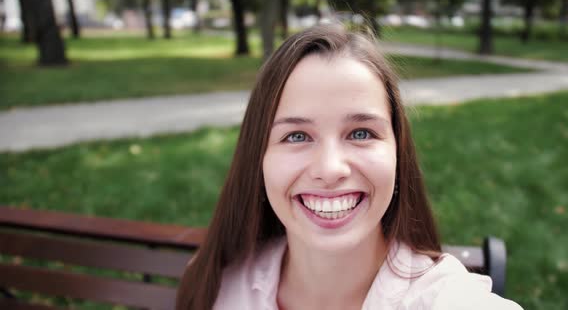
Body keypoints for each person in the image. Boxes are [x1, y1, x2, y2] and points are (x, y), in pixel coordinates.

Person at [176, 24, 522, 310]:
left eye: (360, 133)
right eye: (296, 136)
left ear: (398, 154)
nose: (330, 169)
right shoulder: (221, 287)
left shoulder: (448, 301)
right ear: (259, 158)